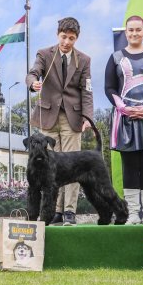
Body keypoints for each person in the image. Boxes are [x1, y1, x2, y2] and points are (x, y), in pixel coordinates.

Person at [25, 17, 93, 226]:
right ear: (58, 35)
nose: (66, 42)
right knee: (49, 167)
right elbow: (33, 73)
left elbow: (87, 90)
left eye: (71, 38)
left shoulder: (84, 60)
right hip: (47, 117)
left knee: (72, 167)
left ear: (76, 38)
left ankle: (69, 211)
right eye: (63, 37)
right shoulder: (44, 54)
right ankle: (55, 212)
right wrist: (33, 83)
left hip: (73, 118)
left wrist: (88, 117)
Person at [105, 15, 143, 225]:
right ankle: (132, 214)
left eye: (138, 30)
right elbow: (109, 88)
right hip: (126, 120)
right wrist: (123, 108)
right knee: (130, 167)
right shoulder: (115, 58)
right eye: (130, 30)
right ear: (126, 32)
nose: (134, 33)